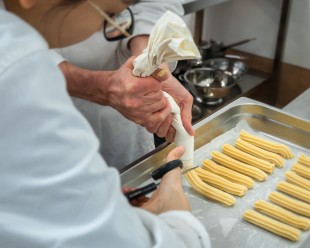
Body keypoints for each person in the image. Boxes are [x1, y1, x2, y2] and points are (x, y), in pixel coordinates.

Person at [0, 0, 210, 247]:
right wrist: (179, 218)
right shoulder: (20, 81)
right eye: (110, 15)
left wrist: (150, 55)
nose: (117, 27)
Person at [54, 0, 194, 169]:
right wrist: (103, 88)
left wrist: (149, 56)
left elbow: (155, 3)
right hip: (48, 113)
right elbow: (20, 56)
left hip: (127, 109)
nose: (101, 28)